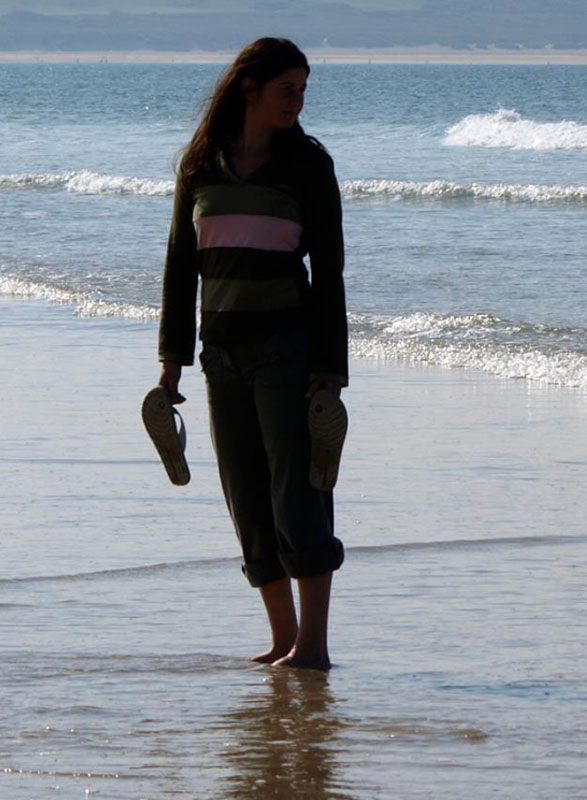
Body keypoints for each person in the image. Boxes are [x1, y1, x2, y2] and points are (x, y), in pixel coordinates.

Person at [156, 38, 348, 671]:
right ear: (249, 88)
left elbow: (331, 272)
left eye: (303, 89)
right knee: (245, 492)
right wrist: (172, 358)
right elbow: (182, 266)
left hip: (288, 350)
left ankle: (313, 646)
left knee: (299, 492)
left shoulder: (308, 166)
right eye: (286, 88)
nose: (297, 100)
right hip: (222, 353)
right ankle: (281, 639)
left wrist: (329, 371)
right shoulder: (200, 165)